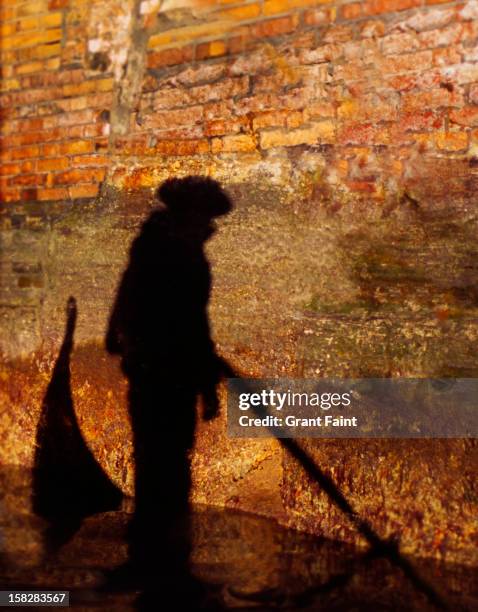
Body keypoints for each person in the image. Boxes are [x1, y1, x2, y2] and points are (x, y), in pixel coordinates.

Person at [105, 176, 232, 605]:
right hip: (166, 373)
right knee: (169, 468)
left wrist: (120, 339)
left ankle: (148, 560)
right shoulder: (179, 255)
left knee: (155, 463)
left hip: (149, 370)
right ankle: (166, 570)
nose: (210, 227)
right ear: (190, 215)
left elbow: (128, 301)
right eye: (206, 217)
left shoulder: (150, 247)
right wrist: (207, 382)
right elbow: (189, 324)